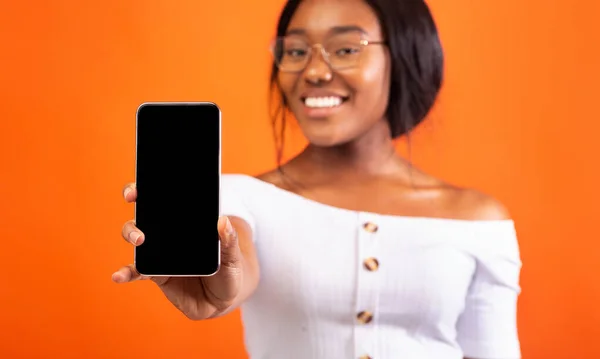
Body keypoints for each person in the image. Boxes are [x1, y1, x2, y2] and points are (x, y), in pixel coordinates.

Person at [112, 0, 523, 358]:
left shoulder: (479, 220)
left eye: (345, 48)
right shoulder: (240, 197)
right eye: (294, 51)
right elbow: (236, 266)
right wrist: (220, 285)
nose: (313, 71)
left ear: (406, 55)